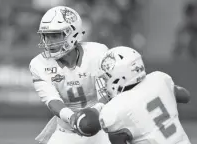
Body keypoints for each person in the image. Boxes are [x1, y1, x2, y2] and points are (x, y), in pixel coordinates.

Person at [29, 6, 111, 144]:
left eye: (54, 35)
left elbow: (106, 93)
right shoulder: (39, 64)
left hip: (102, 126)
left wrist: (92, 114)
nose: (49, 42)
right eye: (46, 36)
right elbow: (52, 100)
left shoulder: (98, 53)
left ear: (73, 33)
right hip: (67, 130)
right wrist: (73, 118)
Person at [90, 46, 191, 144]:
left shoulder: (115, 108)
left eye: (106, 78)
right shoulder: (159, 79)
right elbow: (186, 96)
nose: (105, 83)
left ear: (121, 74)